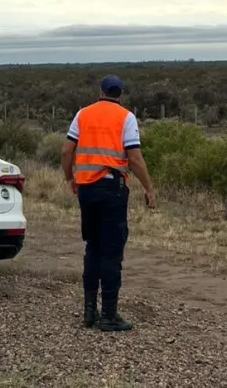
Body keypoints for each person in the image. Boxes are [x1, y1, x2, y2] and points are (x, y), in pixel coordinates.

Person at [61, 74, 156, 332]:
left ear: (101, 90)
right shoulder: (126, 117)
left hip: (88, 190)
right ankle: (109, 315)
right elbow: (134, 158)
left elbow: (66, 151)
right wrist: (149, 188)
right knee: (112, 252)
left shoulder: (82, 115)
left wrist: (71, 177)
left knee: (93, 247)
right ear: (120, 93)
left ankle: (89, 312)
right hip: (112, 190)